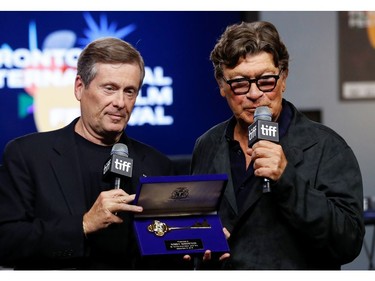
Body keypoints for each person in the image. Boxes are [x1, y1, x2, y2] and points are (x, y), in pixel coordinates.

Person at [0, 37, 190, 270]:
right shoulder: (27, 155)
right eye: (109, 88)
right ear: (80, 87)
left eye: (129, 91)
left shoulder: (157, 165)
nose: (120, 102)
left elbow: (166, 254)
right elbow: (7, 242)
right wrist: (83, 224)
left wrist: (195, 246)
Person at [190, 21, 365, 269]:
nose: (254, 93)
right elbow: (198, 225)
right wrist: (199, 245)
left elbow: (348, 242)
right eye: (239, 83)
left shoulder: (326, 147)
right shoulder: (207, 144)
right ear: (221, 85)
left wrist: (287, 178)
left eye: (266, 80)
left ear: (283, 78)